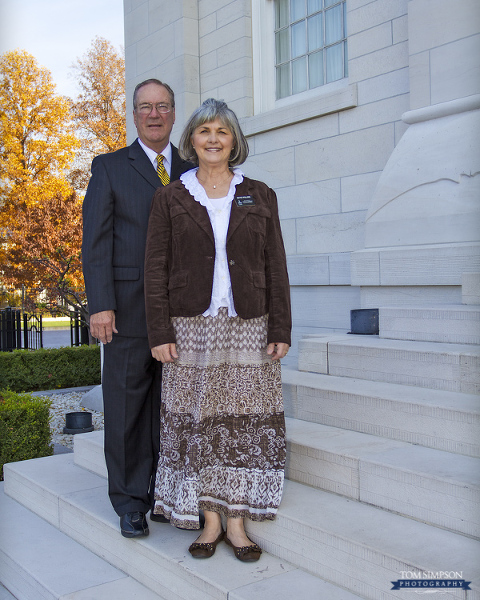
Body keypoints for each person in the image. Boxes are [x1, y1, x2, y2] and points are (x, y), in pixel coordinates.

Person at [144, 98, 291, 562]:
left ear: (234, 141)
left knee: (244, 424)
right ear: (191, 140)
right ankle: (208, 519)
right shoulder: (170, 196)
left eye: (222, 132)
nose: (212, 139)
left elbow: (276, 265)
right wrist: (159, 331)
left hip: (250, 323)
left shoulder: (260, 193)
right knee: (199, 420)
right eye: (204, 131)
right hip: (190, 326)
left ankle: (238, 520)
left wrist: (281, 325)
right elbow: (155, 268)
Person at [82, 79, 193, 538]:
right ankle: (130, 502)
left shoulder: (190, 170)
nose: (154, 114)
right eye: (145, 107)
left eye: (162, 106)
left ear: (172, 113)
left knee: (170, 409)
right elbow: (95, 242)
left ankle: (164, 494)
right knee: (127, 409)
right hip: (125, 312)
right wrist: (100, 305)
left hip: (180, 313)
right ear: (134, 114)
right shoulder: (109, 168)